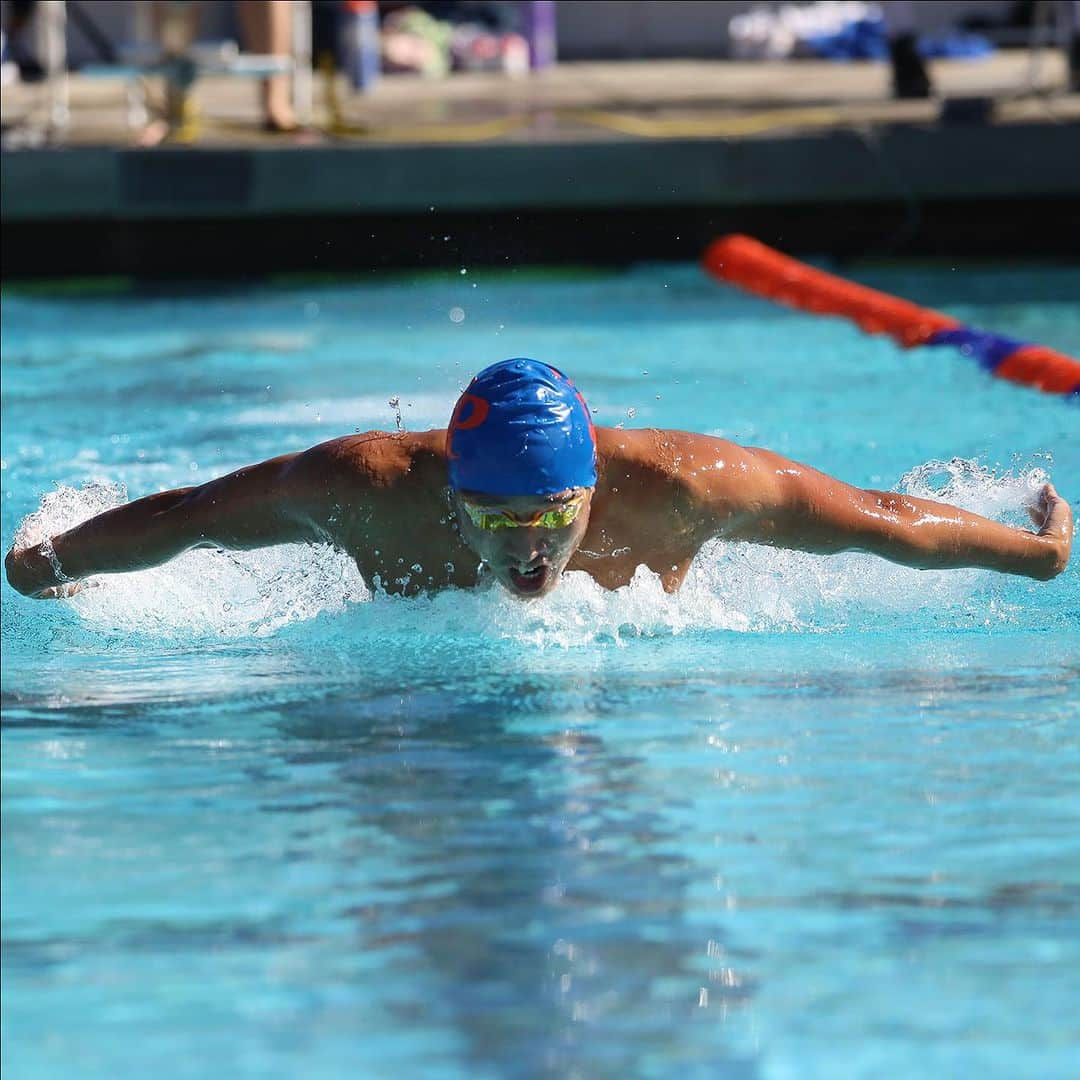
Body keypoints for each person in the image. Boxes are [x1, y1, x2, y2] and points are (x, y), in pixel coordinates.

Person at [5, 359, 1072, 602]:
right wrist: (45, 566)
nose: (527, 548)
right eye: (495, 518)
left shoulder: (687, 486)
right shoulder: (368, 490)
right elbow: (192, 519)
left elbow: (879, 520)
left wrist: (1037, 555)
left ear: (594, 492)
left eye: (552, 518)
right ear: (449, 494)